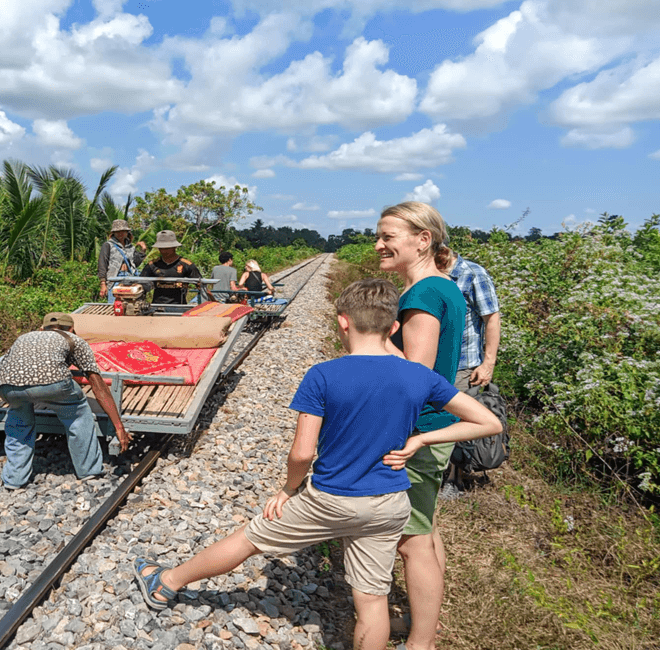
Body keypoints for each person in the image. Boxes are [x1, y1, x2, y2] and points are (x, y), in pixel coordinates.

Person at [130, 279, 501, 650]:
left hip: (330, 499)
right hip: (389, 503)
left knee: (250, 539)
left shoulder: (323, 375)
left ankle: (166, 583)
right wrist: (421, 439)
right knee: (371, 600)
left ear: (342, 322)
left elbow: (302, 454)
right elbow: (488, 422)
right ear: (394, 328)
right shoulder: (420, 376)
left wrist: (289, 489)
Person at [375, 201, 466, 650]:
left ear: (422, 239)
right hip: (432, 427)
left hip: (416, 432)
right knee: (425, 528)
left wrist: (369, 340)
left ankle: (421, 642)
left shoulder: (423, 295)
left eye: (388, 236)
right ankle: (421, 621)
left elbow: (416, 375)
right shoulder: (445, 287)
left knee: (412, 540)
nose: (379, 245)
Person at [0, 312, 132, 489]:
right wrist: (118, 427)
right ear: (72, 329)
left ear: (41, 329)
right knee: (78, 415)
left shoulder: (23, 339)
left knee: (19, 421)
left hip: (10, 389)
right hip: (55, 386)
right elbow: (97, 384)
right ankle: (88, 471)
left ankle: (14, 480)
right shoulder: (75, 340)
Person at [446, 252, 501, 391]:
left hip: (461, 371)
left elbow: (492, 318)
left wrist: (488, 365)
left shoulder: (473, 274)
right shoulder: (425, 272)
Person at [139, 230, 202, 304]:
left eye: (167, 248)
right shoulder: (152, 265)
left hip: (179, 308)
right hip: (157, 308)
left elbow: (201, 285)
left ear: (174, 247)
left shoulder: (186, 265)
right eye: (161, 248)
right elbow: (140, 285)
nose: (163, 251)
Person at [98, 219, 147, 303]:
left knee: (131, 305)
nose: (120, 234)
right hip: (114, 279)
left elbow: (135, 263)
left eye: (123, 231)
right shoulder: (108, 245)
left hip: (130, 278)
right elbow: (102, 263)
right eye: (117, 232)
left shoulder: (131, 247)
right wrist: (103, 283)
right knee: (116, 305)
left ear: (127, 232)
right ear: (113, 233)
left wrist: (143, 251)